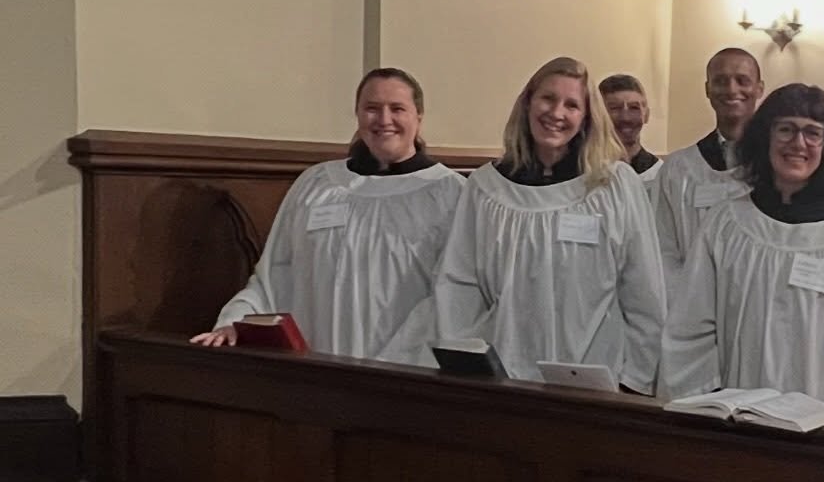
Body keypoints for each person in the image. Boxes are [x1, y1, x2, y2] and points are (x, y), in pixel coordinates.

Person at [662, 83, 824, 424]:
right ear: (764, 138)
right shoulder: (727, 224)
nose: (798, 143)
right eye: (785, 129)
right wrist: (708, 403)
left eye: (812, 133)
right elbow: (691, 328)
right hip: (740, 421)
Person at [191, 68, 464, 363]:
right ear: (358, 114)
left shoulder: (450, 194)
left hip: (404, 374)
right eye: (371, 108)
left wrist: (395, 363)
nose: (384, 120)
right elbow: (275, 274)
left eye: (397, 108)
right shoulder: (317, 184)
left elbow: (453, 296)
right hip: (319, 371)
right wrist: (236, 322)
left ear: (418, 117)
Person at [434, 56, 665, 390]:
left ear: (586, 116)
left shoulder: (613, 184)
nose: (556, 113)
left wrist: (635, 380)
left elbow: (644, 290)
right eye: (547, 99)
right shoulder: (487, 188)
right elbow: (459, 283)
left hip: (596, 377)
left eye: (571, 105)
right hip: (504, 376)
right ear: (528, 102)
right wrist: (468, 363)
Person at [653, 46, 763, 288]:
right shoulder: (678, 169)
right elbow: (664, 250)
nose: (732, 89)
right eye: (720, 81)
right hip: (690, 302)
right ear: (707, 89)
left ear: (759, 88)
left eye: (742, 80)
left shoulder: (775, 165)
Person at [599, 73, 662, 184]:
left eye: (634, 108)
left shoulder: (661, 174)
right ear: (597, 115)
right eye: (615, 108)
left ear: (646, 115)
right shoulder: (584, 174)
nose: (625, 118)